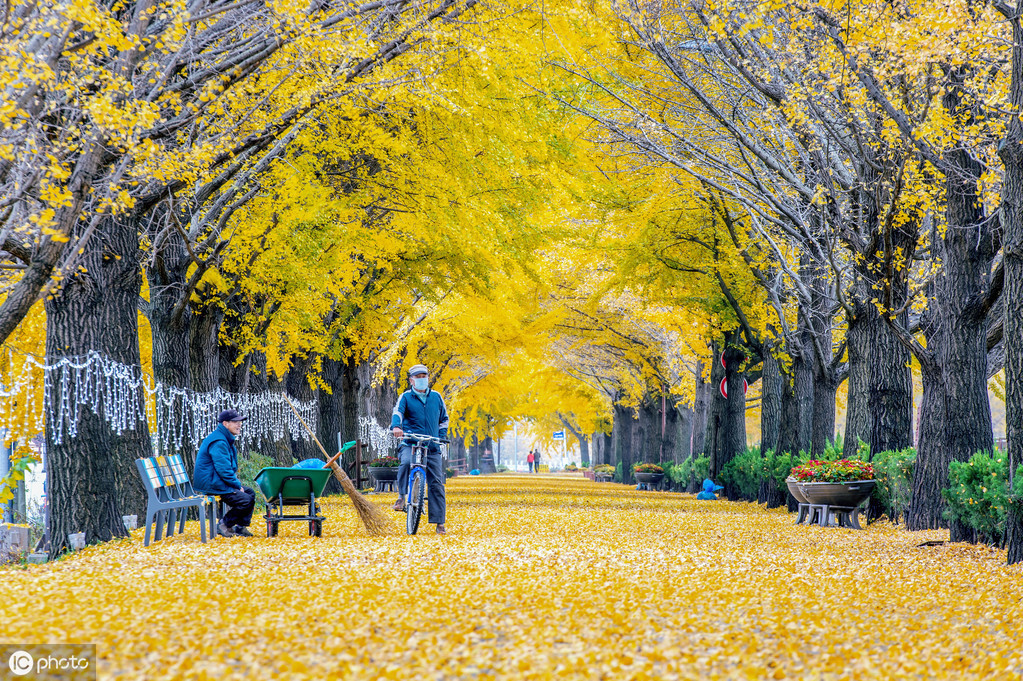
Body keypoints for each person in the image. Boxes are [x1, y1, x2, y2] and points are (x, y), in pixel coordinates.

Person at [390, 364, 450, 535]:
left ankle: (439, 522)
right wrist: (396, 427)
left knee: (437, 483)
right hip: (410, 442)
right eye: (418, 376)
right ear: (411, 380)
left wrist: (441, 436)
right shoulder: (406, 397)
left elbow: (444, 419)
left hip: (431, 445)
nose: (422, 379)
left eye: (424, 376)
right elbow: (398, 413)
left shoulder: (436, 397)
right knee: (406, 462)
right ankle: (402, 496)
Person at [193, 409, 256, 537]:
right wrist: (237, 485)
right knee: (245, 500)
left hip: (217, 481)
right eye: (235, 422)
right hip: (213, 484)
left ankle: (240, 527)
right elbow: (224, 470)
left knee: (250, 493)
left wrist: (236, 485)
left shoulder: (224, 438)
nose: (239, 425)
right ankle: (224, 524)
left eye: (240, 422)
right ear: (225, 424)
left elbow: (226, 469)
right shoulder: (219, 442)